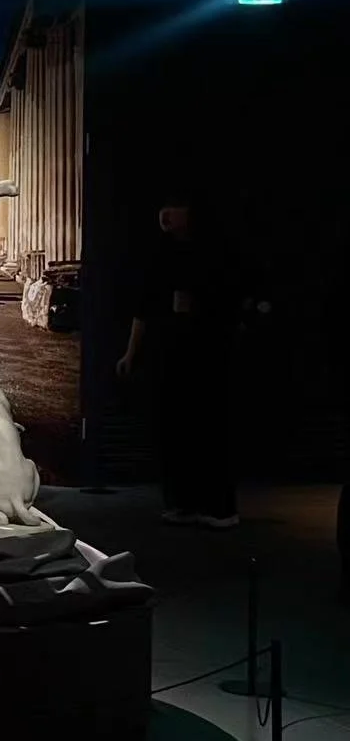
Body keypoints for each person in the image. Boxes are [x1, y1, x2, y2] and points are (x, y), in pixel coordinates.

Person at [116, 193, 237, 528]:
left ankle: (219, 507)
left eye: (175, 208)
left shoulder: (214, 255)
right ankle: (182, 502)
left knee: (207, 428)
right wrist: (130, 352)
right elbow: (144, 308)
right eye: (163, 207)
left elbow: (227, 302)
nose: (165, 214)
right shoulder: (161, 256)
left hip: (205, 353)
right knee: (173, 428)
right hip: (168, 353)